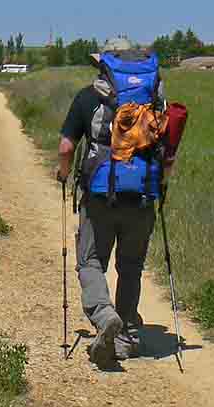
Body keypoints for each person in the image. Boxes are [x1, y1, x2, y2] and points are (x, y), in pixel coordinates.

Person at [56, 40, 173, 368]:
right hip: (143, 195)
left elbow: (66, 148)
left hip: (100, 197)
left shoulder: (88, 98)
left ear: (103, 65)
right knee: (131, 265)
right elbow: (168, 148)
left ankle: (105, 316)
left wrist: (62, 174)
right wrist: (160, 183)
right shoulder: (154, 100)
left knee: (90, 261)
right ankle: (127, 335)